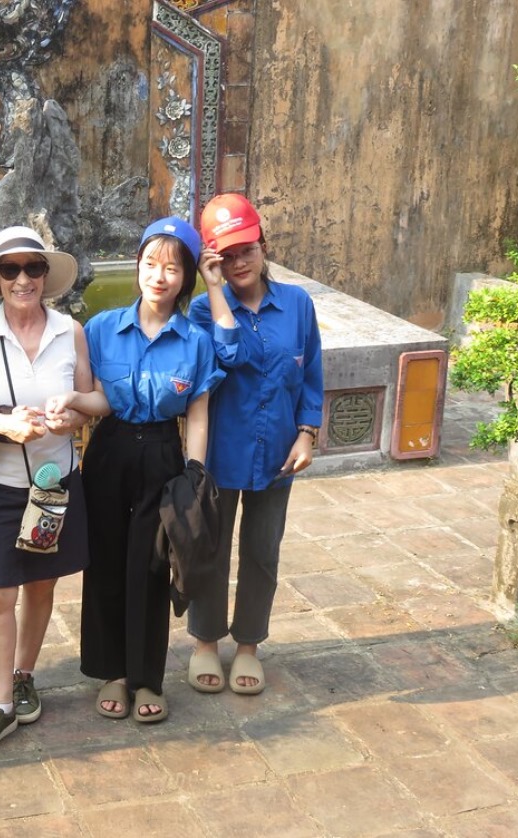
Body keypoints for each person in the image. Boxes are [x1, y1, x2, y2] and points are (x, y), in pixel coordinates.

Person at [52, 218, 224, 723]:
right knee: (105, 561)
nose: (158, 276)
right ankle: (111, 672)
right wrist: (70, 400)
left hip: (162, 456)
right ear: (138, 267)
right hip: (109, 450)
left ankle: (147, 677)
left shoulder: (195, 341)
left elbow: (197, 412)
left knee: (151, 566)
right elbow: (96, 399)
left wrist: (195, 472)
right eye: (150, 264)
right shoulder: (102, 329)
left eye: (172, 268)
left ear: (186, 277)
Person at [0, 226, 93, 756]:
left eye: (33, 268)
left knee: (40, 585)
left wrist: (70, 416)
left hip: (54, 484)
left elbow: (88, 397)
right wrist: (1, 424)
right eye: (10, 269)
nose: (22, 279)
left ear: (46, 275)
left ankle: (23, 675)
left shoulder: (69, 330)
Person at [185, 193, 324, 696]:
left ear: (264, 245)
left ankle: (248, 645)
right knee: (211, 549)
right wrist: (214, 289)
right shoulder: (203, 310)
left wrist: (307, 432)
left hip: (277, 452)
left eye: (246, 250)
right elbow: (229, 356)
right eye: (225, 256)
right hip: (221, 451)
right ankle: (205, 641)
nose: (239, 262)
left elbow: (311, 373)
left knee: (263, 551)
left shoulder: (297, 304)